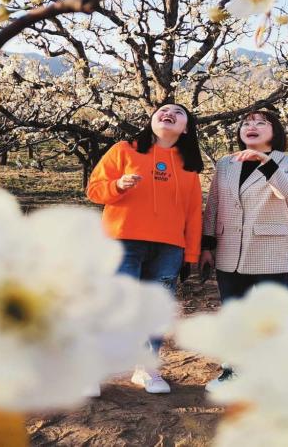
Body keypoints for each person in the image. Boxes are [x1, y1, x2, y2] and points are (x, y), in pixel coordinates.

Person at [87, 103, 204, 395]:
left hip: (169, 248)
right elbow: (94, 190)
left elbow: (193, 214)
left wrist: (190, 254)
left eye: (178, 112)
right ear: (151, 120)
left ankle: (146, 368)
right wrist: (118, 185)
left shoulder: (188, 166)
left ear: (186, 129)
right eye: (163, 110)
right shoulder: (124, 150)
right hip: (122, 241)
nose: (168, 113)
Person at [200, 109, 288, 391]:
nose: (251, 126)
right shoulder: (226, 163)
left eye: (261, 123)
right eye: (246, 123)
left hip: (271, 250)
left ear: (275, 132)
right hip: (230, 249)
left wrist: (265, 162)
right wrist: (207, 244)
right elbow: (214, 204)